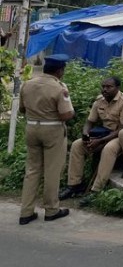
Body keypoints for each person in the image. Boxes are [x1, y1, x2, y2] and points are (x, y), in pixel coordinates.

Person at [19, 54, 75, 225]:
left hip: (31, 128)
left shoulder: (27, 84)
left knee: (32, 171)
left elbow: (22, 109)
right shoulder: (59, 88)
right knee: (52, 171)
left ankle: (26, 212)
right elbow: (65, 114)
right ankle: (51, 209)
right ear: (59, 71)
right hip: (52, 129)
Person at [60, 76, 123, 199]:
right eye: (103, 86)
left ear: (117, 88)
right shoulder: (99, 100)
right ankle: (74, 185)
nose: (105, 89)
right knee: (77, 145)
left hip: (120, 136)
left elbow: (122, 128)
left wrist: (100, 141)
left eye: (109, 87)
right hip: (102, 134)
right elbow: (89, 122)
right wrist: (85, 135)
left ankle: (96, 189)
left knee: (108, 149)